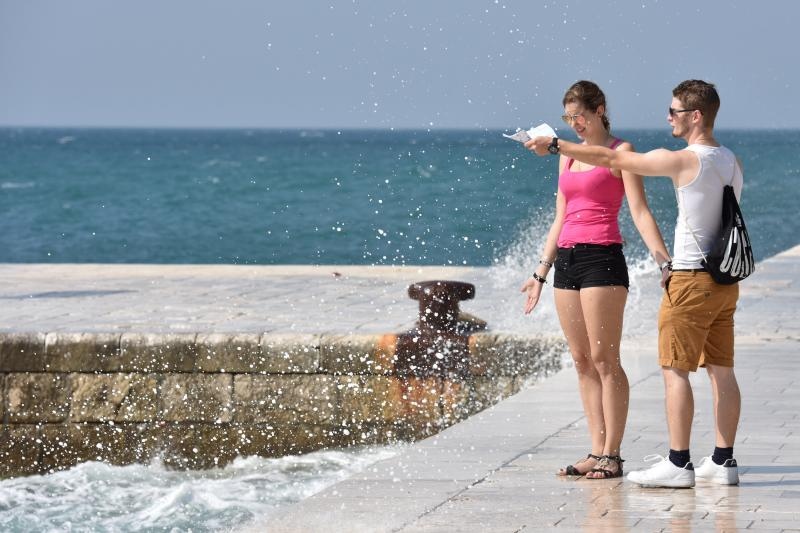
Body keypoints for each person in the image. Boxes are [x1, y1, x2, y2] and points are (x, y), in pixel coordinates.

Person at [527, 79, 743, 488]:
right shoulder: (729, 159)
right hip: (716, 278)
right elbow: (564, 210)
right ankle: (721, 459)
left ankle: (665, 461)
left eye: (674, 111)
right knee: (716, 368)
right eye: (567, 119)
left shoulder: (673, 159)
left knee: (659, 368)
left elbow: (630, 183)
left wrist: (555, 145)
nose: (667, 117)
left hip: (644, 268)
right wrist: (541, 272)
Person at [520, 80, 671, 479]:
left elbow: (639, 211)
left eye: (580, 117)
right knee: (582, 360)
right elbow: (560, 217)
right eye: (568, 119)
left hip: (602, 259)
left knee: (606, 360)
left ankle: (613, 454)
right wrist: (540, 271)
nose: (574, 125)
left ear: (600, 109)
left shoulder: (622, 153)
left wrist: (664, 262)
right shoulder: (566, 158)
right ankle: (595, 448)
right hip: (566, 262)